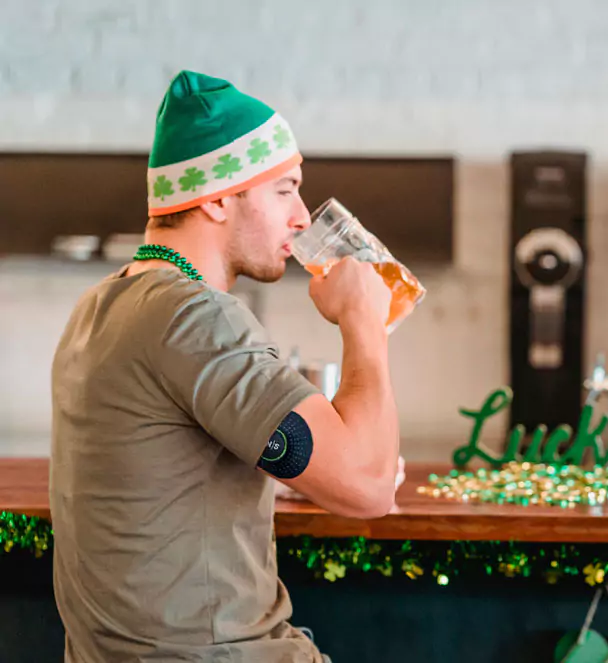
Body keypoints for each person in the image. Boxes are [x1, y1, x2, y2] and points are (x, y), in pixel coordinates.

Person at [50, 70, 402, 662]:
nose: (301, 218)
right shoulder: (195, 318)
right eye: (284, 189)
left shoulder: (104, 304)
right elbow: (368, 490)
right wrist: (363, 320)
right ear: (215, 197)